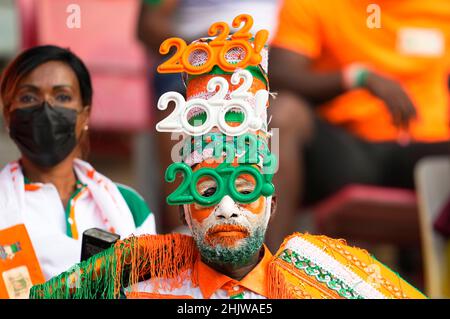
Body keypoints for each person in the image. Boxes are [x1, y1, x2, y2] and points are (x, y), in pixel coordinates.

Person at [30, 17, 425, 299]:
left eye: (244, 186)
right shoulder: (139, 270)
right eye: (206, 188)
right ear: (184, 209)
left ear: (272, 201)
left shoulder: (325, 273)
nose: (226, 207)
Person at [267, 0, 450, 249]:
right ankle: (270, 268)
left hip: (423, 146)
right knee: (284, 112)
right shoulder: (312, 5)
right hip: (345, 149)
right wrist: (355, 77)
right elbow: (279, 76)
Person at [0, 45, 156, 298]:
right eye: (29, 97)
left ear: (85, 116)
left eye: (62, 97)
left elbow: (150, 289)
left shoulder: (129, 205)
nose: (46, 109)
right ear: (9, 115)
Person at [136, 0, 278, 234]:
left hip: (270, 63)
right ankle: (185, 231)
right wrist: (208, 50)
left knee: (286, 116)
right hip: (197, 60)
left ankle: (261, 240)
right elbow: (148, 26)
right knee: (180, 108)